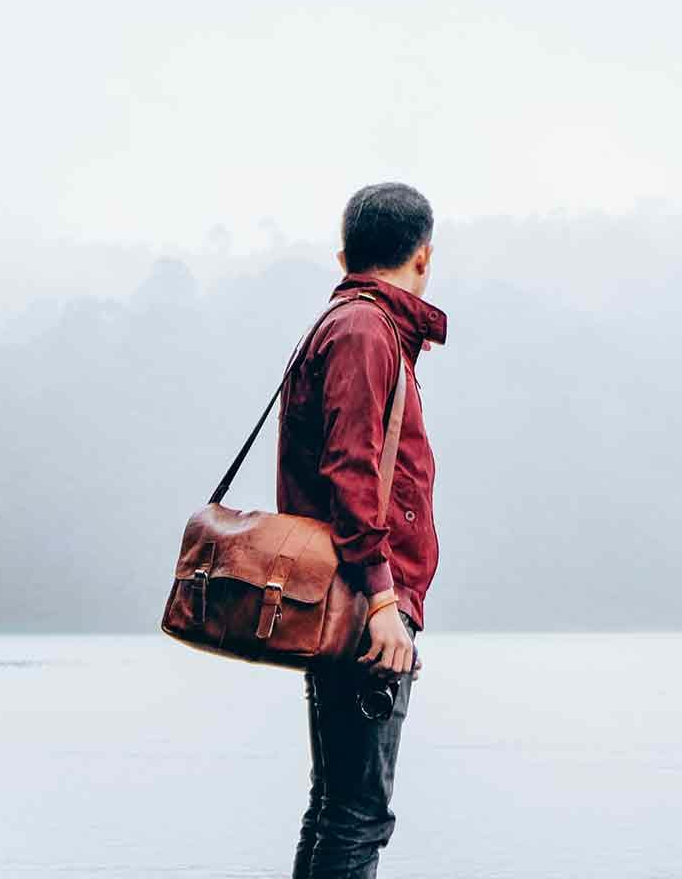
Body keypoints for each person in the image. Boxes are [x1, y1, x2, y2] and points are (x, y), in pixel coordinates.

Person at [277, 182, 448, 878]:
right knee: (356, 819)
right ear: (424, 257)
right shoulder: (364, 332)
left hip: (348, 600)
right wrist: (383, 602)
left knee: (337, 811)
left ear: (344, 253)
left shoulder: (352, 324)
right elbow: (351, 471)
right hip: (360, 606)